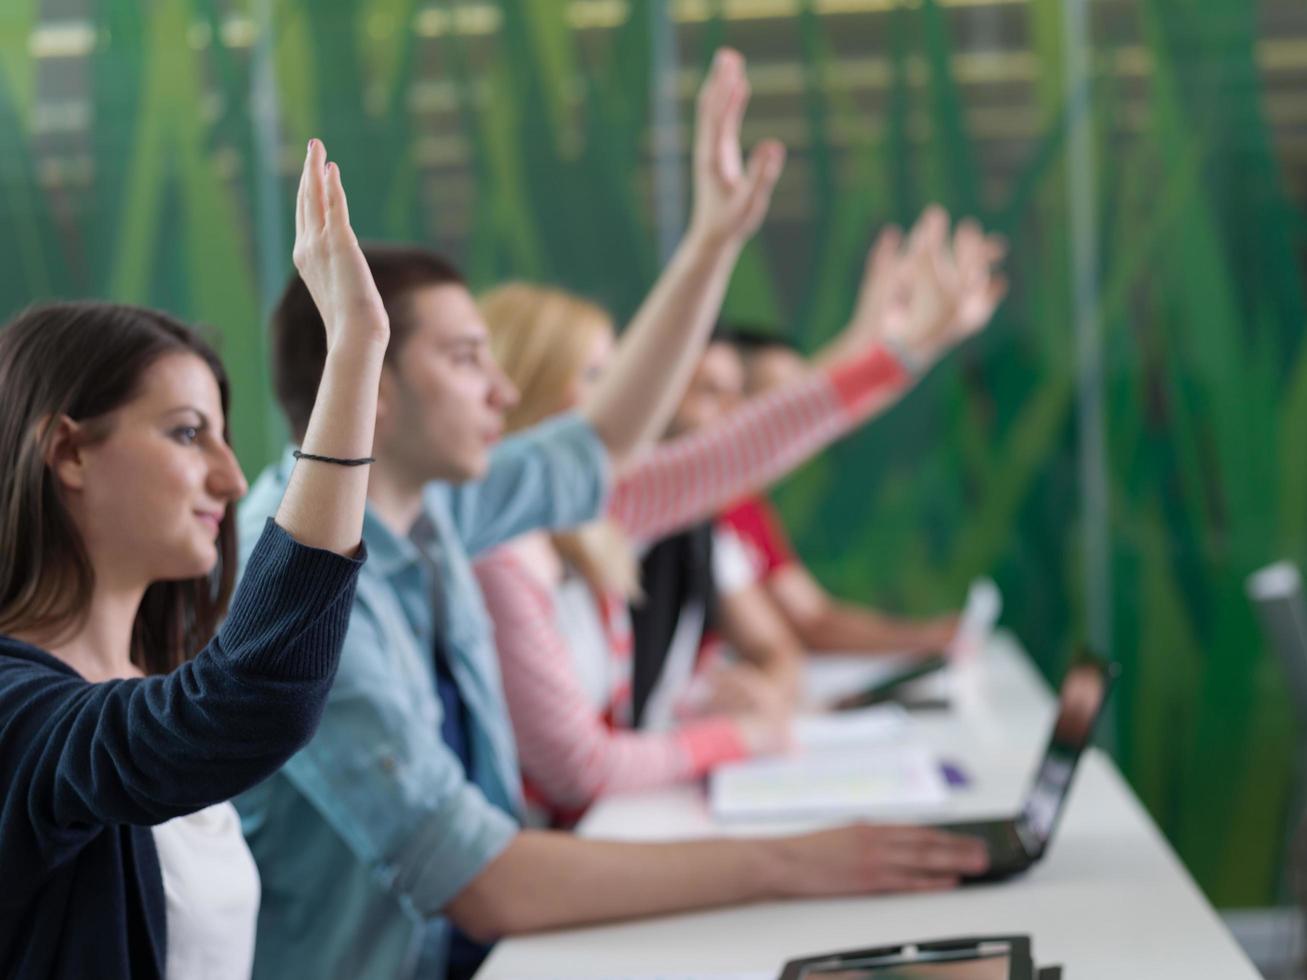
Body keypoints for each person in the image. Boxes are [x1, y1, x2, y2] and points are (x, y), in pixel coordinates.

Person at [233, 50, 992, 980]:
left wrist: (715, 244)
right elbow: (484, 878)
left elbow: (613, 443)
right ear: (371, 382)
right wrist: (797, 862)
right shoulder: (300, 591)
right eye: (469, 360)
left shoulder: (435, 510)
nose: (503, 390)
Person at [0, 139, 386, 980]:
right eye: (186, 433)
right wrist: (352, 348)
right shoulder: (12, 710)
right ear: (67, 452)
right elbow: (246, 707)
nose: (231, 476)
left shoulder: (156, 676)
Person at [473, 203, 998, 820]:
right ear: (526, 393)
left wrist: (896, 353)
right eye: (599, 377)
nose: (628, 400)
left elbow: (757, 440)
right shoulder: (505, 547)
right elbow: (578, 770)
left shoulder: (593, 520)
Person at [718, 325, 961, 657]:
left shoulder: (747, 505)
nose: (793, 421)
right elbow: (800, 633)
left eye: (796, 401)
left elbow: (813, 618)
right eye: (776, 402)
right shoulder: (699, 509)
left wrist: (922, 639)